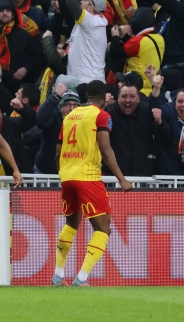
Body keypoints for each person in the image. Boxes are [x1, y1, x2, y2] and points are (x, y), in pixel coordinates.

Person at [52, 80, 132, 287]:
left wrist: (64, 172)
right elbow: (105, 149)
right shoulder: (101, 115)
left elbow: (58, 151)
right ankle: (81, 278)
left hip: (67, 176)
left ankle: (58, 275)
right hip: (87, 176)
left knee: (71, 224)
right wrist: (121, 179)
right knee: (103, 228)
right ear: (104, 97)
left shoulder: (70, 116)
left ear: (86, 95)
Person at [104, 84, 171, 176]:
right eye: (124, 96)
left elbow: (165, 137)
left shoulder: (146, 111)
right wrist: (101, 108)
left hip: (143, 174)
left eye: (132, 96)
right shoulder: (108, 112)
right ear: (118, 98)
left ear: (138, 98)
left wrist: (160, 122)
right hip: (115, 175)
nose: (128, 100)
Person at [109, 7, 165, 97]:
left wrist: (115, 36)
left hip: (137, 89)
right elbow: (142, 48)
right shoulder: (159, 38)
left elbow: (115, 53)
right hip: (152, 88)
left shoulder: (138, 41)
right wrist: (126, 38)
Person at [35, 84, 80, 174]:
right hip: (46, 170)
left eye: (75, 105)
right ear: (60, 106)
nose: (71, 109)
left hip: (71, 171)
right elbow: (40, 120)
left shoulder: (82, 119)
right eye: (67, 104)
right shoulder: (54, 116)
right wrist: (55, 96)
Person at [64, 0, 108, 84]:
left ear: (91, 8)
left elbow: (71, 3)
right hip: (85, 80)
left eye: (85, 0)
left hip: (87, 81)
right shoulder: (91, 22)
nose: (80, 2)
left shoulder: (92, 22)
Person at [149, 75, 184, 175]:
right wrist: (156, 89)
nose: (183, 105)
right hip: (169, 174)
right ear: (174, 103)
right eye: (180, 101)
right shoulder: (170, 110)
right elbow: (156, 109)